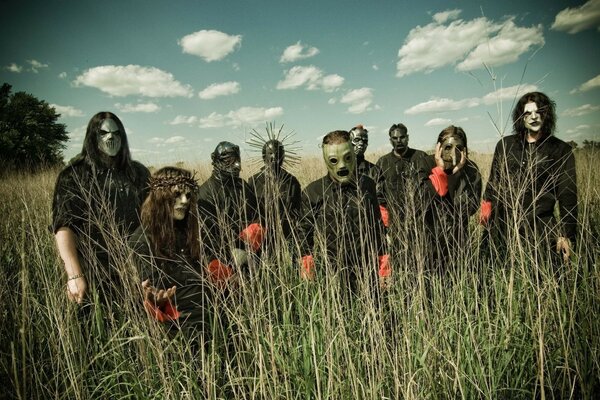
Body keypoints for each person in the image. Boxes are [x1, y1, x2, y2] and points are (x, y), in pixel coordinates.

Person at [52, 111, 150, 304]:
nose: (110, 137)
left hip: (137, 266)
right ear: (93, 136)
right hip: (94, 267)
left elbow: (152, 218)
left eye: (116, 132)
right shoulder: (74, 175)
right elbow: (64, 226)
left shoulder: (138, 172)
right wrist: (74, 275)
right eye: (103, 132)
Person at [480, 92, 578, 264]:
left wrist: (566, 234)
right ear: (521, 117)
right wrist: (486, 213)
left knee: (543, 275)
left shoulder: (560, 150)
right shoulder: (506, 145)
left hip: (540, 225)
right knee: (494, 270)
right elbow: (493, 184)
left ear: (546, 114)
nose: (533, 117)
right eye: (527, 113)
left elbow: (567, 195)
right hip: (503, 224)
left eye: (538, 112)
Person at [298, 130, 390, 293]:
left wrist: (383, 265)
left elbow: (377, 227)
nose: (341, 166)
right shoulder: (313, 192)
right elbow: (304, 233)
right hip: (331, 275)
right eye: (334, 160)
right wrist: (307, 265)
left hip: (366, 270)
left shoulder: (367, 185)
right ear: (326, 160)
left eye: (347, 158)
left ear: (353, 156)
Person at [129, 167, 212, 336]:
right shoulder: (142, 240)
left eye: (188, 195)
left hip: (209, 316)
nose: (184, 201)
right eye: (177, 194)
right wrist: (155, 298)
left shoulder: (190, 229)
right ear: (161, 196)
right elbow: (150, 285)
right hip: (176, 326)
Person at [417, 126, 482, 271]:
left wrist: (455, 174)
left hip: (459, 243)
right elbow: (422, 200)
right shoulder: (425, 164)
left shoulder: (470, 170)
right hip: (428, 243)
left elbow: (467, 209)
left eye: (459, 148)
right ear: (438, 147)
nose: (453, 153)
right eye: (448, 147)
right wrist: (440, 172)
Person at [197, 141, 265, 275]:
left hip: (252, 252)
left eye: (237, 160)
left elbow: (258, 213)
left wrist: (256, 231)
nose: (237, 165)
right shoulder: (206, 192)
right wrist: (234, 247)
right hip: (224, 259)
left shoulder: (242, 185)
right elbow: (207, 234)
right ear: (217, 162)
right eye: (230, 161)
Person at [248, 139, 301, 250]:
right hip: (261, 238)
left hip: (286, 238)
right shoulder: (254, 181)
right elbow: (250, 213)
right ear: (264, 156)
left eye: (278, 154)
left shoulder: (291, 182)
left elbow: (297, 213)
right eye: (270, 154)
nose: (274, 158)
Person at [376, 123, 427, 224]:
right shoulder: (383, 162)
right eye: (394, 138)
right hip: (394, 219)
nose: (398, 141)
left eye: (402, 137)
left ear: (407, 138)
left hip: (420, 217)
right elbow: (378, 193)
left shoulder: (421, 157)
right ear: (390, 140)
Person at [349, 124, 387, 224]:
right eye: (357, 140)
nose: (361, 144)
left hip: (371, 222)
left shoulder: (374, 170)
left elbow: (381, 199)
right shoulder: (342, 170)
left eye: (365, 141)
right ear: (349, 142)